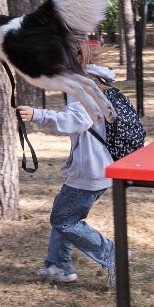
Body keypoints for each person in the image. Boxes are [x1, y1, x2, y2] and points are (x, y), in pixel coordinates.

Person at [16, 40, 117, 290]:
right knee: (64, 212)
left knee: (65, 220)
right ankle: (58, 264)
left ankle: (114, 256)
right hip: (94, 165)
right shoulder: (91, 79)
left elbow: (77, 121)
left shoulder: (83, 85)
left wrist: (39, 115)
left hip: (91, 169)